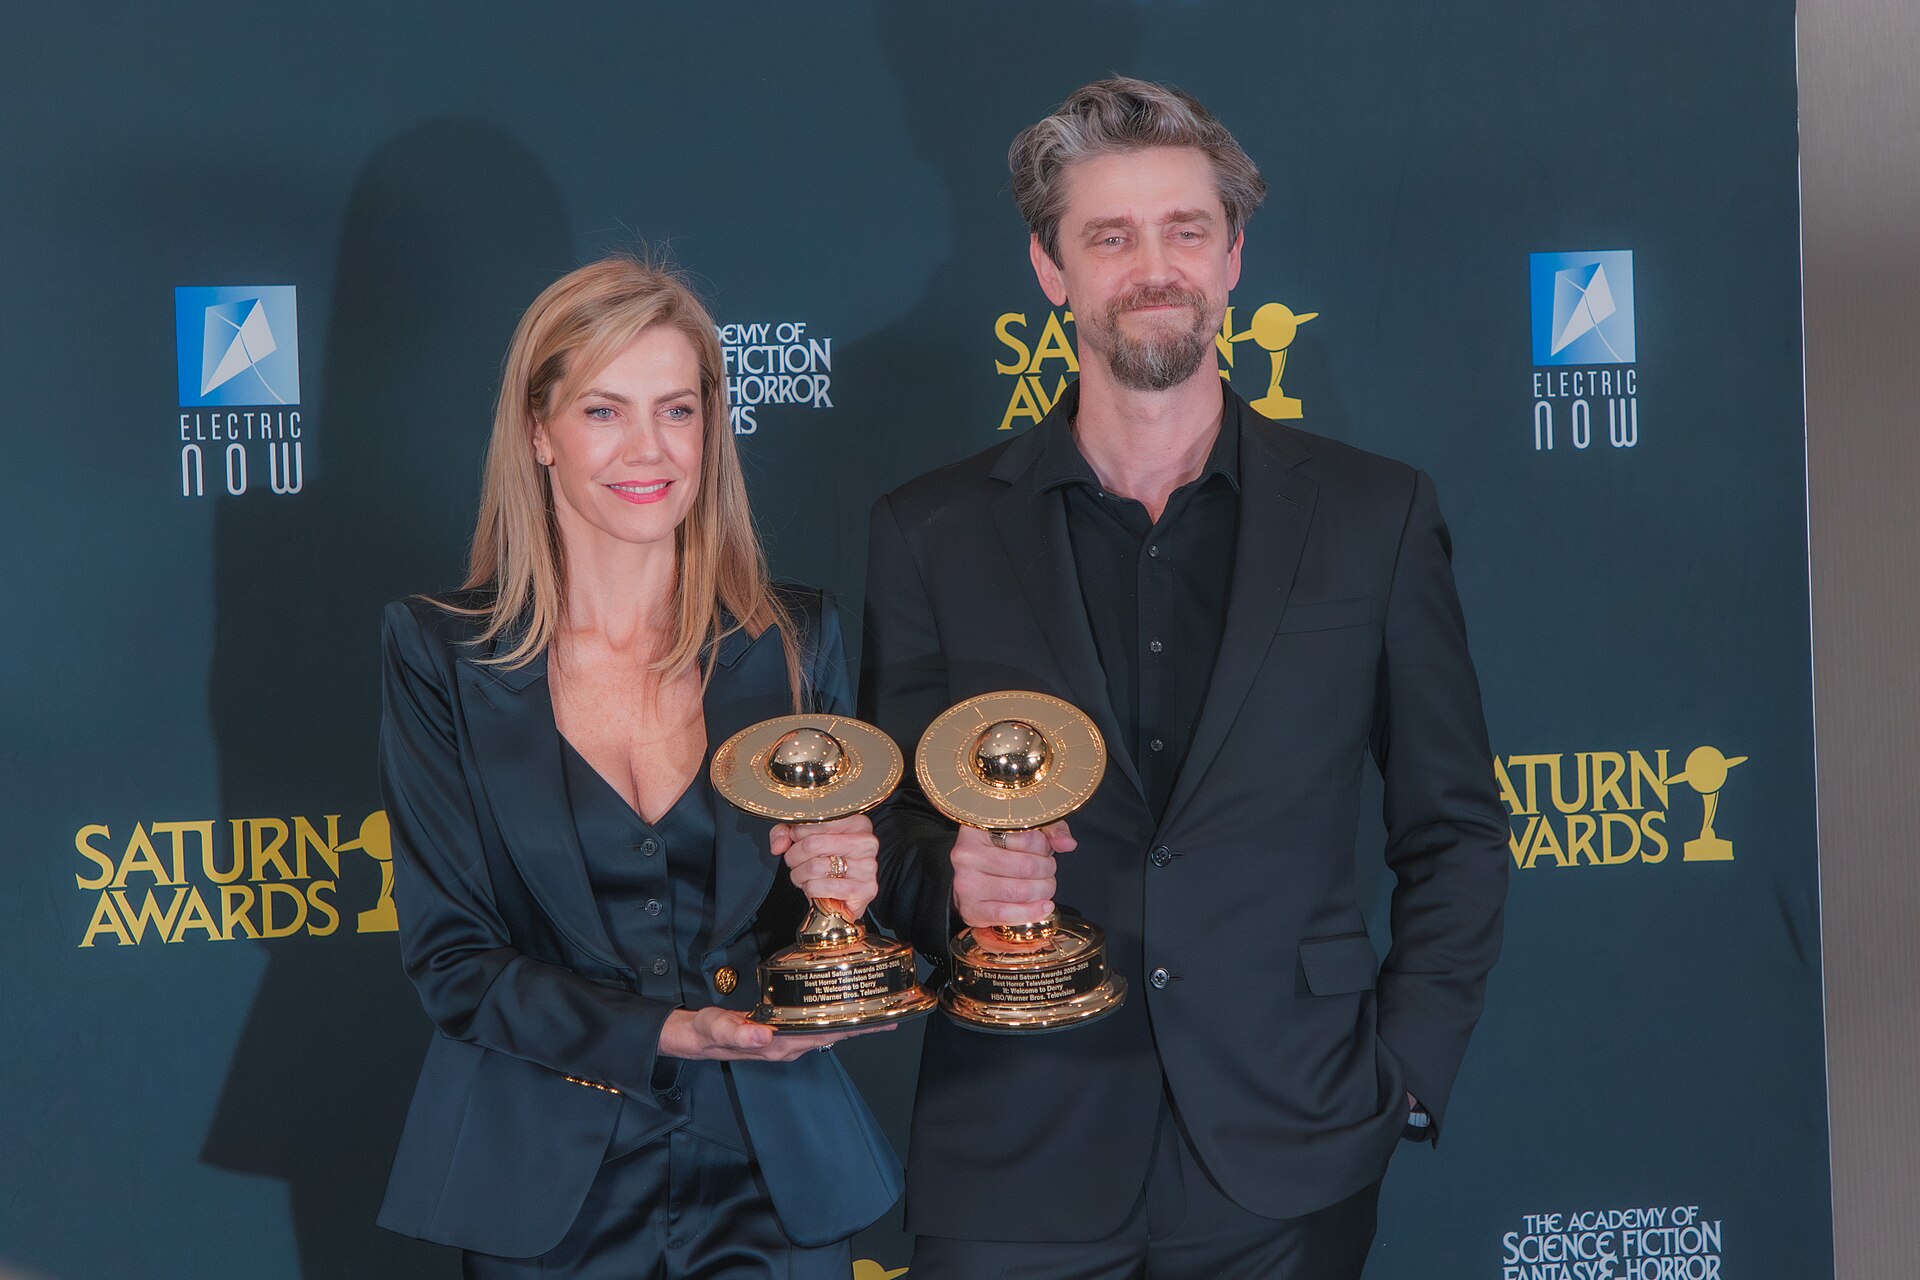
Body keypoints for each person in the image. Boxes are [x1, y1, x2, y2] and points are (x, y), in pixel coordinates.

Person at [862, 79, 1509, 1278]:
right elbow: (880, 834)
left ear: (1233, 259)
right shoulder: (929, 531)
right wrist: (948, 873)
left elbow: (1457, 826)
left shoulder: (1375, 514)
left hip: (1293, 1146)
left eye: (1184, 231)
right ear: (1051, 269)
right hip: (1015, 1151)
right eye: (1110, 236)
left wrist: (1401, 1079)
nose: (1152, 266)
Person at [374, 255, 900, 1278]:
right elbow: (453, 959)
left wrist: (844, 897)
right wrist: (667, 1029)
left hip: (773, 1174)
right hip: (545, 1188)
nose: (649, 450)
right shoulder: (439, 651)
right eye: (605, 412)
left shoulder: (794, 638)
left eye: (677, 409)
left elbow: (832, 942)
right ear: (539, 431)